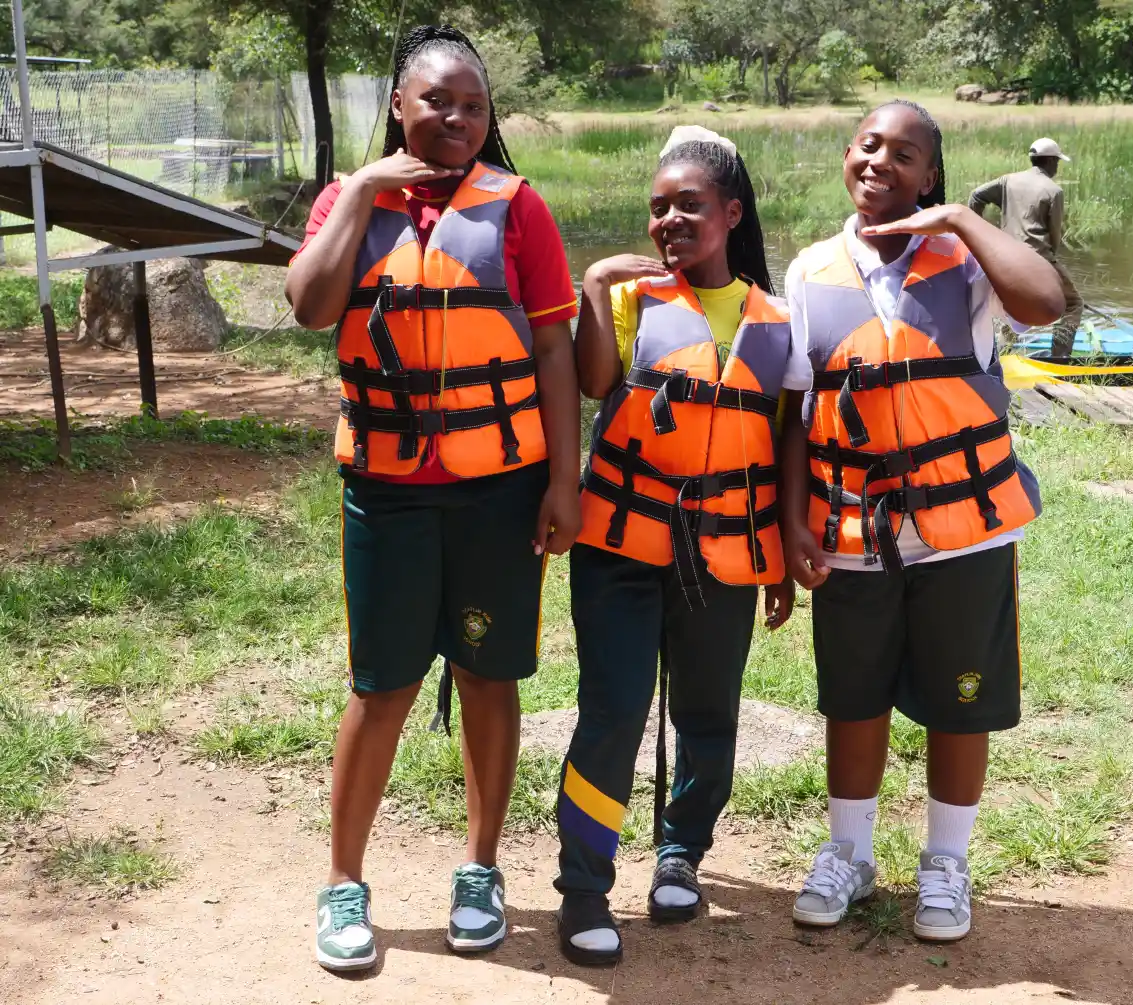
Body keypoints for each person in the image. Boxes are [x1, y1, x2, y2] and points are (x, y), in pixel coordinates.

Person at [285, 24, 582, 970]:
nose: (455, 118)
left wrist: (564, 481)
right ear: (399, 107)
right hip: (387, 489)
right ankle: (343, 881)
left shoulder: (518, 209)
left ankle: (481, 868)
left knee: (492, 677)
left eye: (472, 105)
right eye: (435, 101)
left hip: (499, 488)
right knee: (384, 686)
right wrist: (364, 192)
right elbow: (309, 304)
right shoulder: (350, 199)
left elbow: (553, 352)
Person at [781, 101, 1063, 942]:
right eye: (870, 146)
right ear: (846, 154)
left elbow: (1046, 301)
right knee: (854, 698)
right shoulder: (808, 272)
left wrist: (962, 222)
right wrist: (796, 520)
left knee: (959, 704)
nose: (883, 164)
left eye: (906, 155)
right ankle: (850, 852)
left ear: (931, 175)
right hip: (853, 530)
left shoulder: (968, 266)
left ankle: (946, 862)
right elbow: (796, 412)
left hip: (965, 529)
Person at [554, 126, 805, 966]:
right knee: (616, 707)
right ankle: (586, 885)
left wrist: (780, 557)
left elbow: (779, 449)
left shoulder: (776, 323)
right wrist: (593, 282)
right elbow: (593, 381)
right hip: (621, 547)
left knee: (706, 713)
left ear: (731, 213)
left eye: (689, 206)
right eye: (658, 207)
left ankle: (680, 853)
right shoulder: (630, 302)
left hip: (726, 556)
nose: (669, 220)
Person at [968, 138, 1083, 357]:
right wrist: (1051, 266)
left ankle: (1002, 354)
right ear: (1049, 161)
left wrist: (979, 231)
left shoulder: (1008, 180)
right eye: (1057, 161)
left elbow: (976, 196)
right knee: (1073, 304)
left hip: (1006, 259)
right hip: (1037, 259)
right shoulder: (1054, 191)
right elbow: (1055, 236)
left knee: (1014, 303)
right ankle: (1059, 359)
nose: (1057, 166)